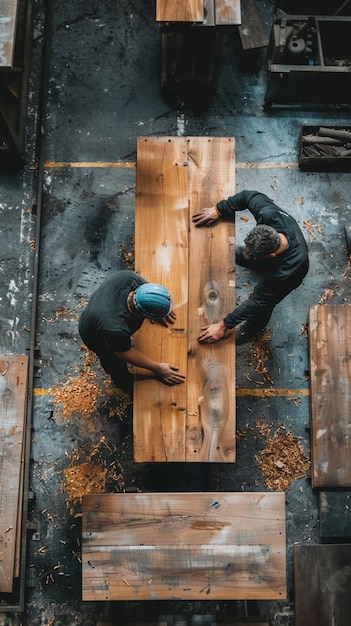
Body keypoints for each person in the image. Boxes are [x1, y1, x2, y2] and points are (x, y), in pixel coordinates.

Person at [192, 189, 309, 344]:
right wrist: (219, 209)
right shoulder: (269, 215)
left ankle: (252, 329)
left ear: (271, 255)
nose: (248, 255)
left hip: (289, 275)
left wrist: (224, 325)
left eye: (253, 256)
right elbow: (249, 196)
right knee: (238, 254)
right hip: (271, 259)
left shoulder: (288, 270)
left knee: (263, 307)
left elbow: (257, 301)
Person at [78, 270, 186, 394]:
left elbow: (150, 293)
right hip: (93, 335)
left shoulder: (129, 278)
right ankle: (123, 384)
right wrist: (158, 368)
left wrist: (158, 305)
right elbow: (124, 353)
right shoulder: (115, 327)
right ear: (143, 314)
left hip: (100, 311)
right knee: (114, 364)